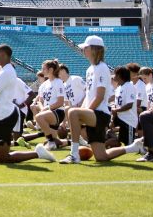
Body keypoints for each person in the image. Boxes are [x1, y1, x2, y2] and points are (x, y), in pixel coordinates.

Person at [60, 36, 144, 164]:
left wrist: (83, 114)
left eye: (86, 48)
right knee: (101, 156)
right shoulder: (90, 69)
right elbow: (89, 95)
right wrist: (83, 113)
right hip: (94, 113)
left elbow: (99, 96)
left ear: (94, 49)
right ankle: (133, 147)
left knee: (72, 112)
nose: (83, 50)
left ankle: (74, 154)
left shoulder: (102, 68)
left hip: (100, 114)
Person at [32, 60, 67, 148]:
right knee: (56, 142)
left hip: (58, 112)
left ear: (51, 70)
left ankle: (50, 141)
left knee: (39, 117)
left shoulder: (58, 82)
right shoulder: (43, 85)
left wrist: (47, 108)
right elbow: (40, 101)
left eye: (44, 69)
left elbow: (60, 102)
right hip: (48, 112)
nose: (42, 70)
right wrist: (42, 108)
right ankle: (72, 141)